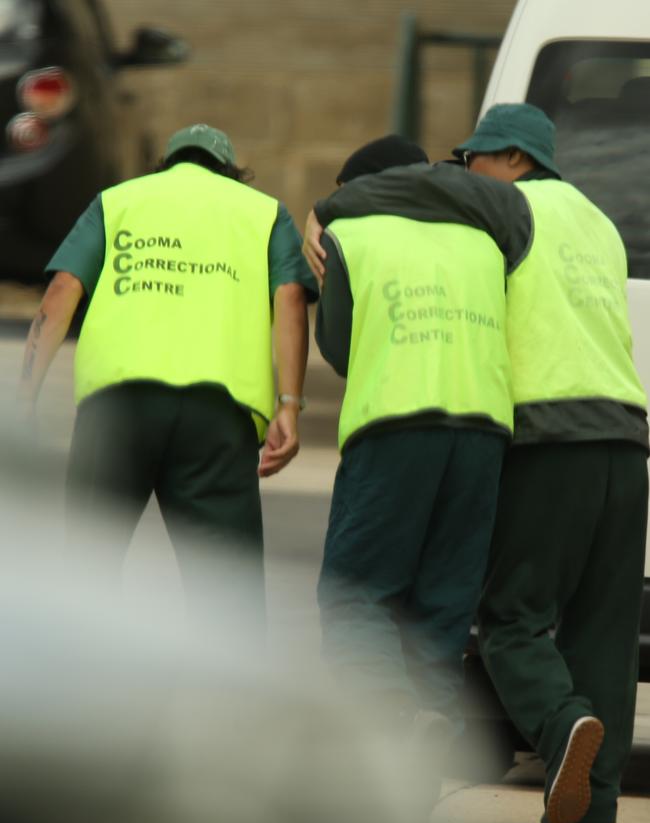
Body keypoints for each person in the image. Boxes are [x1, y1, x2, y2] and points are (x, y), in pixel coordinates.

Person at [18, 123, 318, 631]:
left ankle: (84, 695)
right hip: (217, 418)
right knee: (227, 587)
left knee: (88, 567)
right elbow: (290, 297)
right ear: (231, 172)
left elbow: (63, 290)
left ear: (167, 164)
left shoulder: (118, 201)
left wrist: (23, 400)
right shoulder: (263, 211)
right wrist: (289, 403)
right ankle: (235, 703)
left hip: (117, 408)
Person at [452, 103, 649, 823]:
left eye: (474, 155)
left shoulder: (500, 208)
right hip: (626, 438)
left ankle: (562, 722)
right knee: (603, 628)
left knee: (511, 617)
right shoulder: (598, 219)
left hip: (548, 432)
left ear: (511, 158)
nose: (467, 169)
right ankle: (593, 806)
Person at [304, 135, 533, 742]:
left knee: (354, 594)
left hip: (395, 422)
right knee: (444, 597)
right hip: (483, 430)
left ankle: (390, 713)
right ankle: (432, 713)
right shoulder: (484, 241)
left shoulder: (353, 237)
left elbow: (339, 348)